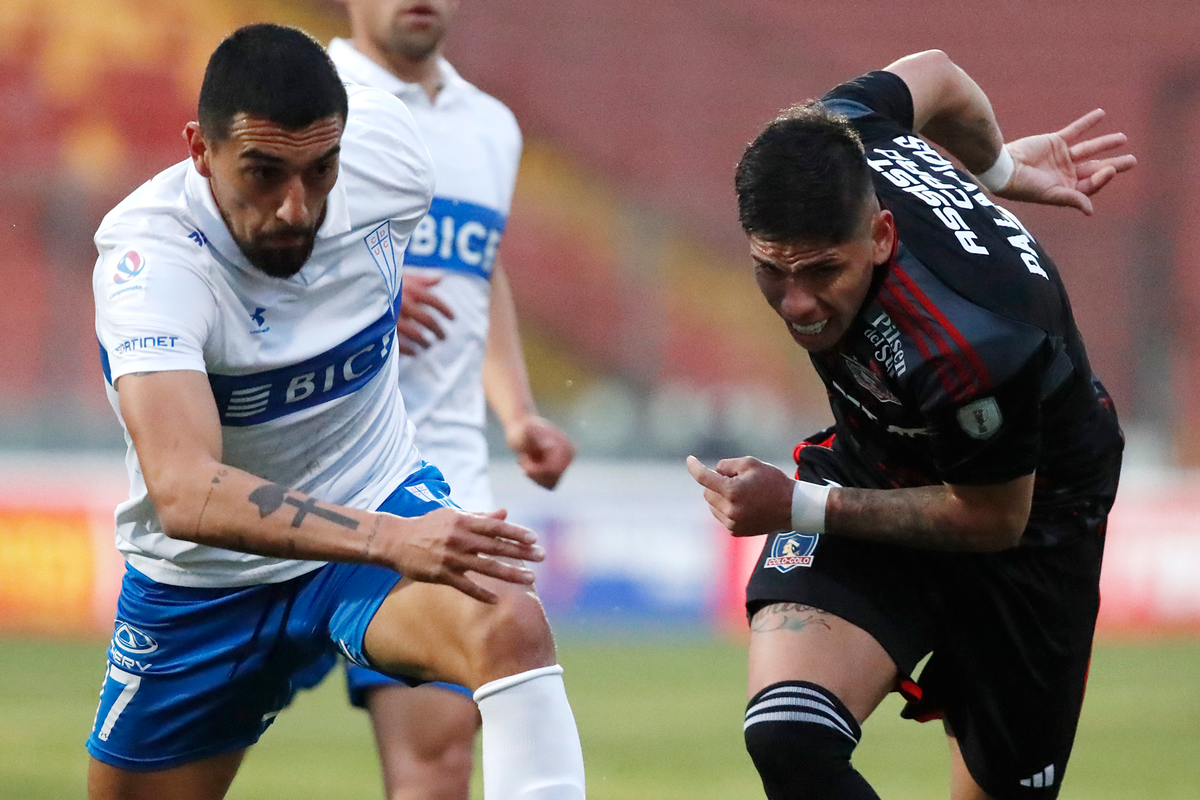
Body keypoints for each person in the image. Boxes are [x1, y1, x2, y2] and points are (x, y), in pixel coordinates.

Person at [87, 23, 585, 800]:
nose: (295, 208)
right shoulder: (150, 265)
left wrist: (511, 410)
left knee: (507, 625)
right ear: (199, 149)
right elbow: (185, 491)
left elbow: (476, 268)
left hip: (372, 488)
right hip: (206, 581)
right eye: (263, 174)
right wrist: (393, 540)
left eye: (321, 171)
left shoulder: (391, 154)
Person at [687, 49, 1134, 800]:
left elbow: (992, 517)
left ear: (882, 238)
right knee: (789, 738)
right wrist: (999, 173)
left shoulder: (974, 341)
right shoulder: (837, 134)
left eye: (823, 271)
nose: (797, 304)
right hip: (878, 462)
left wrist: (793, 504)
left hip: (1032, 521)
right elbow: (935, 72)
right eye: (772, 270)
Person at [283, 3, 577, 798]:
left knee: (440, 755)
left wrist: (516, 411)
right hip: (286, 483)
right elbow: (227, 250)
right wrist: (355, 284)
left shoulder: (492, 127)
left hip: (433, 479)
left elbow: (481, 275)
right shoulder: (298, 93)